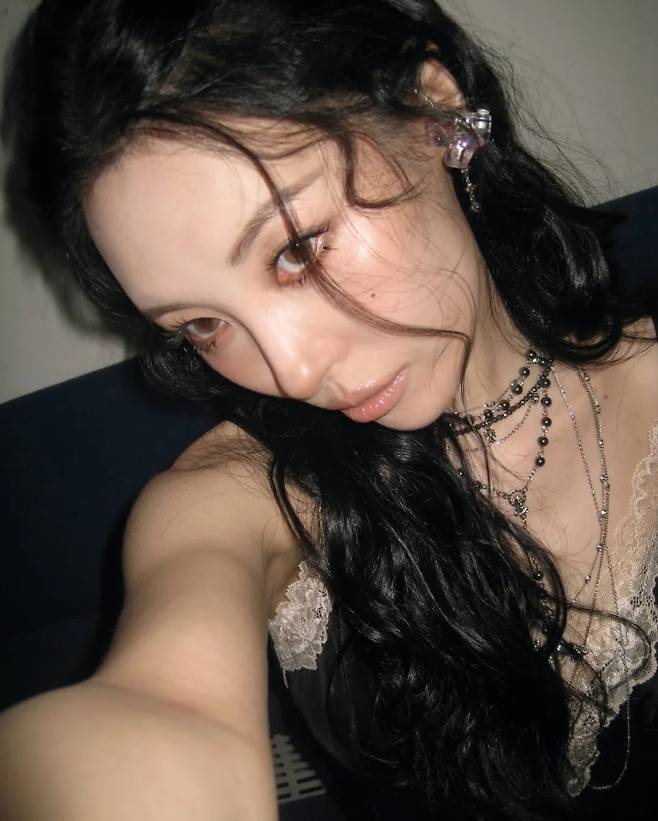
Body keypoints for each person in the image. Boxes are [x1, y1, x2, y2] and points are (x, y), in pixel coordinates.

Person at [1, 1, 656, 819]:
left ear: (434, 109)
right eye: (200, 324)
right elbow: (163, 702)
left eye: (296, 247)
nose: (291, 370)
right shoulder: (243, 491)